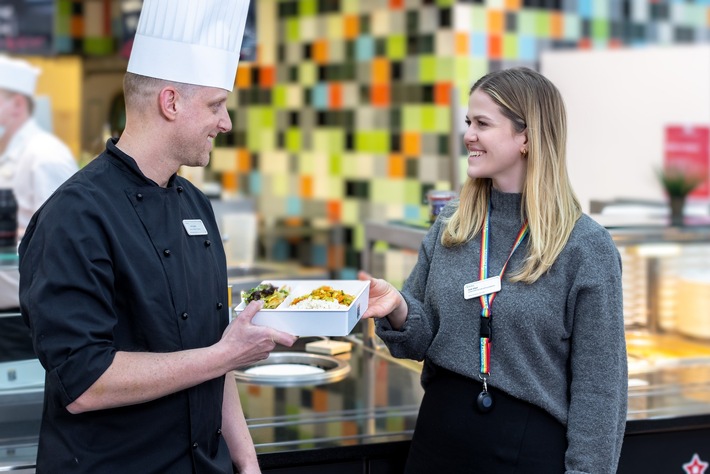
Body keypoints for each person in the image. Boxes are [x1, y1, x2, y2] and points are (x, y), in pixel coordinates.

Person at [19, 0, 297, 472]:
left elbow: (217, 348)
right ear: (170, 103)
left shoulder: (195, 204)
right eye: (216, 105)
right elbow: (86, 383)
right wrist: (222, 355)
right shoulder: (75, 214)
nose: (225, 122)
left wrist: (247, 464)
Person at [359, 67, 627, 473]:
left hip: (525, 450)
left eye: (482, 123)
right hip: (437, 439)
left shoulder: (584, 246)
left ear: (526, 137)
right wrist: (398, 305)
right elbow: (418, 340)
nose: (468, 135)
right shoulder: (452, 224)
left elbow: (600, 388)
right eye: (469, 122)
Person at [0, 55, 77, 362]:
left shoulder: (45, 156)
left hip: (23, 322)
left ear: (17, 105)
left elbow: (61, 244)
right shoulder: (8, 153)